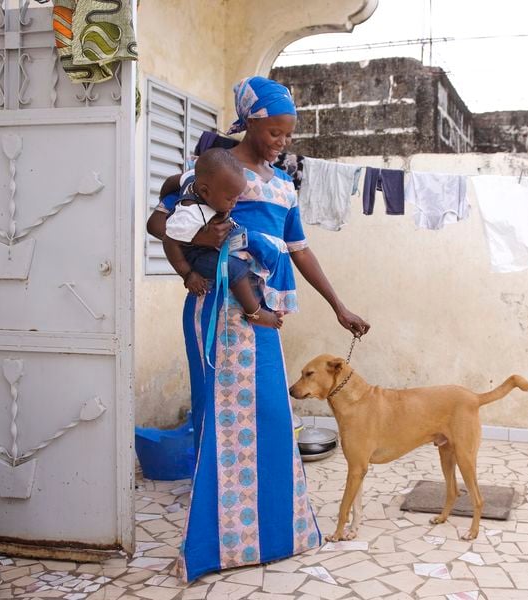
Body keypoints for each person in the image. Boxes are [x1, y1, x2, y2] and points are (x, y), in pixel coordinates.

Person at [146, 76, 370, 582]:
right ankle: (216, 544)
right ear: (250, 122)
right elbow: (161, 221)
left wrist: (338, 305)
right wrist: (200, 238)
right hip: (217, 308)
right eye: (275, 131)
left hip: (261, 312)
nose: (282, 142)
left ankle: (276, 534)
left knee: (271, 414)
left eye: (288, 134)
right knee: (221, 424)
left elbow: (300, 250)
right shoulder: (213, 170)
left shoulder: (283, 185)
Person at [164, 147, 281, 328]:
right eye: (230, 199)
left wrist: (164, 195)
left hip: (211, 240)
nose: (234, 203)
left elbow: (173, 181)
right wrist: (187, 274)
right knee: (235, 268)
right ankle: (254, 312)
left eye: (237, 197)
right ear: (205, 192)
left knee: (255, 244)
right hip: (195, 254)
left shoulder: (192, 178)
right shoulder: (188, 215)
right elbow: (169, 242)